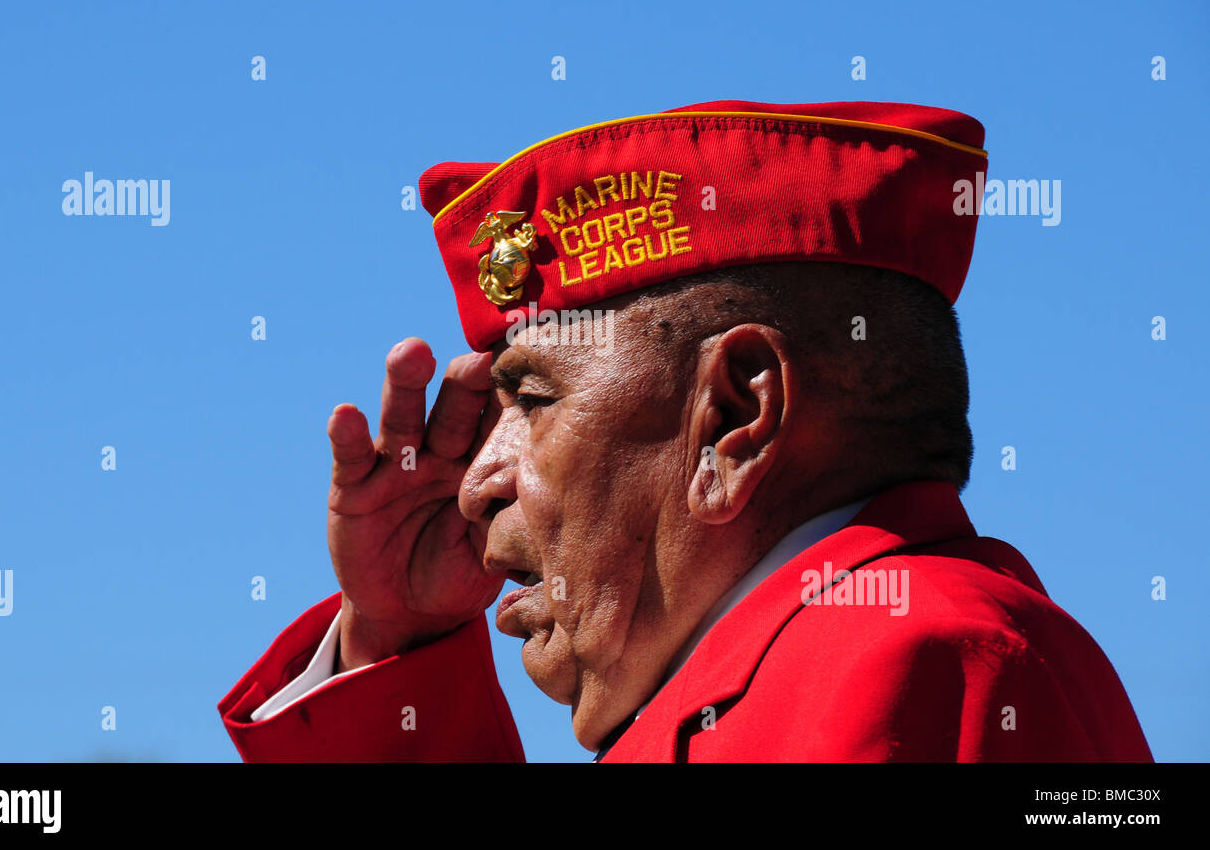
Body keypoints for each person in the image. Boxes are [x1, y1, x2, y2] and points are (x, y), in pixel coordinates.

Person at [218, 100, 1152, 762]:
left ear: (734, 417)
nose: (475, 481)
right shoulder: (801, 676)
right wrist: (398, 640)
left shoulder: (910, 663)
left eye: (533, 402)